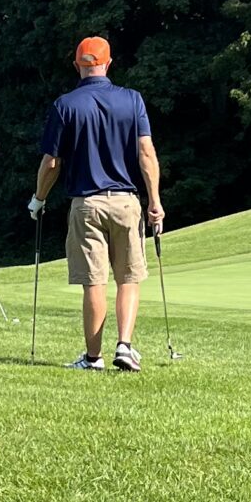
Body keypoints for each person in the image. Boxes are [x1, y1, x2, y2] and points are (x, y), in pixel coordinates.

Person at [28, 37, 164, 372]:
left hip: (86, 204)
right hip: (126, 202)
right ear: (109, 63)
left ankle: (93, 358)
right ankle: (125, 346)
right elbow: (146, 154)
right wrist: (155, 201)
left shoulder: (65, 105)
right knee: (128, 278)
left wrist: (38, 199)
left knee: (94, 281)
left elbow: (51, 163)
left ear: (77, 65)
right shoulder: (132, 99)